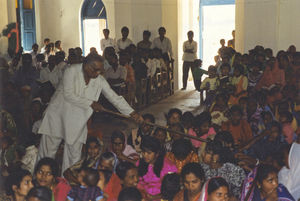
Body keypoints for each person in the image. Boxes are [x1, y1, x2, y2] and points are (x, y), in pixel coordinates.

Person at [37, 53, 143, 173]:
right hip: (58, 115)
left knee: (74, 156)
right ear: (86, 65)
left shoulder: (99, 80)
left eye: (100, 70)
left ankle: (67, 184)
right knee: (47, 152)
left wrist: (132, 113)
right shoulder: (71, 71)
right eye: (95, 70)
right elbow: (69, 95)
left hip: (77, 120)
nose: (98, 73)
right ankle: (39, 180)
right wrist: (91, 103)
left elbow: (114, 98)